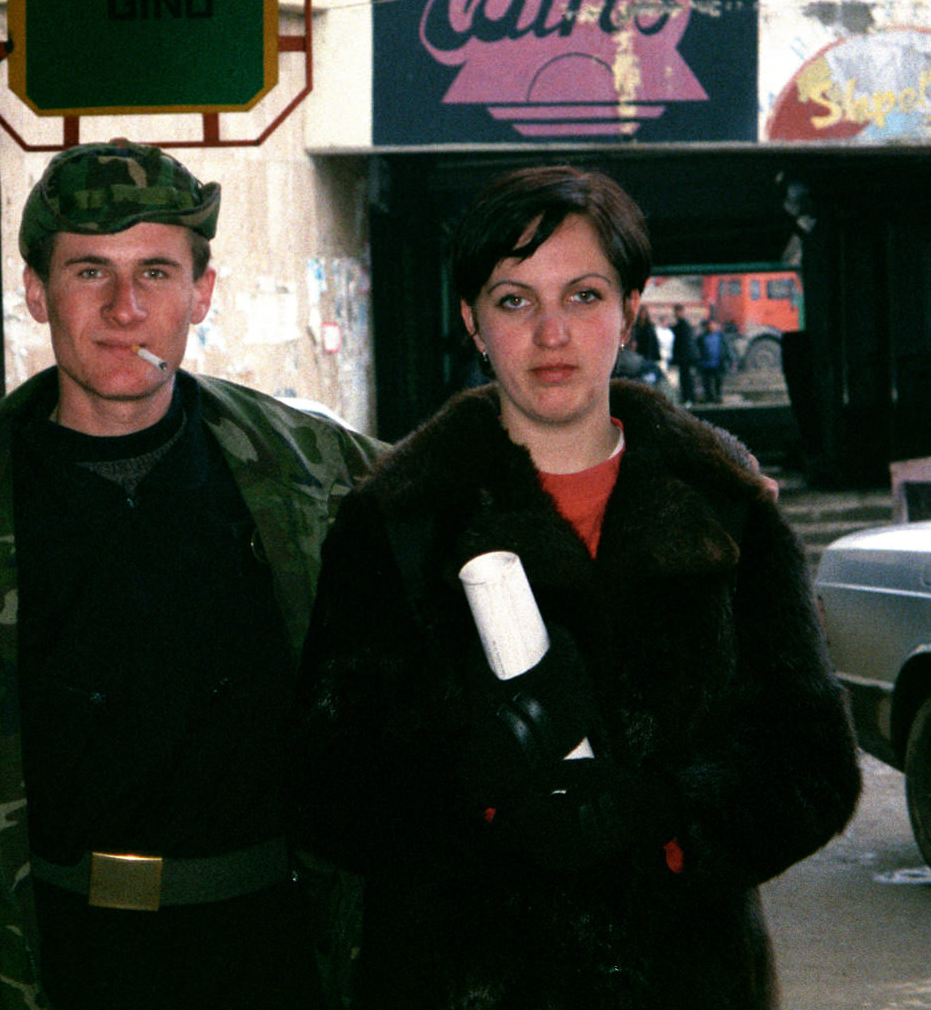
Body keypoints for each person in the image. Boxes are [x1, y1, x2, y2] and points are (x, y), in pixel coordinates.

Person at [0, 140, 385, 1010]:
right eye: (88, 272)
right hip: (49, 966)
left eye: (155, 272)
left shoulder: (315, 477)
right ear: (37, 293)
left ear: (201, 293)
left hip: (279, 959)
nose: (124, 309)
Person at [287, 165, 860, 1010]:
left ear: (629, 310)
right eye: (514, 300)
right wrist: (475, 789)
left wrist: (663, 813)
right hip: (457, 981)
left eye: (583, 296)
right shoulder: (398, 523)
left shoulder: (725, 511)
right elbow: (321, 782)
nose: (551, 333)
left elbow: (812, 765)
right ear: (472, 322)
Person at [669, 304, 700, 404]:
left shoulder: (683, 325)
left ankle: (689, 398)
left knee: (686, 378)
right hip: (685, 357)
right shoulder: (682, 325)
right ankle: (688, 397)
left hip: (685, 357)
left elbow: (684, 343)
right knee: (686, 378)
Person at [698, 318, 730, 403]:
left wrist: (730, 359)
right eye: (710, 325)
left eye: (713, 325)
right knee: (707, 382)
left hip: (718, 363)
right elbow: (698, 350)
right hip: (706, 363)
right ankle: (709, 397)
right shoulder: (702, 337)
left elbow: (727, 348)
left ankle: (718, 396)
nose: (711, 327)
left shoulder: (720, 336)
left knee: (718, 381)